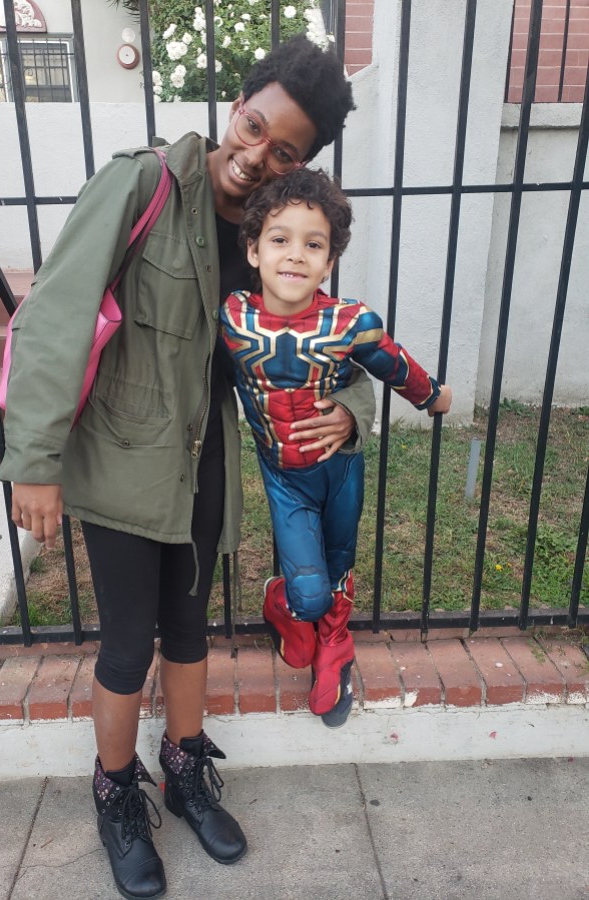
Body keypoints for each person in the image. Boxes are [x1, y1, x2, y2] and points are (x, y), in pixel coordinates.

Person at [0, 36, 377, 900]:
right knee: (129, 643)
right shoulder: (139, 185)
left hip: (206, 463)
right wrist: (34, 462)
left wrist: (348, 411)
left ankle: (183, 768)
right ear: (235, 105)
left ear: (302, 164)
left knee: (191, 628)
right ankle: (116, 795)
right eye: (252, 127)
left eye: (283, 152)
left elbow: (337, 341)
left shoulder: (265, 237)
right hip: (123, 463)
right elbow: (55, 316)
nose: (254, 156)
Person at [220, 167, 453, 729]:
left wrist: (433, 397)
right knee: (308, 590)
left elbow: (396, 366)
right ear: (253, 250)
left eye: (313, 243)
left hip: (341, 469)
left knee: (341, 564)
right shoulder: (229, 318)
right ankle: (286, 604)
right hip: (284, 476)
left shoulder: (351, 323)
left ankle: (337, 649)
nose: (295, 254)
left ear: (329, 261)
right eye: (280, 239)